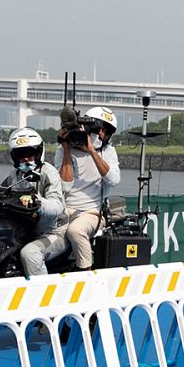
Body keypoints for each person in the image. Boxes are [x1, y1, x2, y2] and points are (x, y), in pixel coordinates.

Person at [54, 107, 123, 270]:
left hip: (92, 212)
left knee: (75, 231)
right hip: (65, 209)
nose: (101, 135)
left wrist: (92, 151)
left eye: (106, 131)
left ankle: (86, 271)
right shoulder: (63, 150)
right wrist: (66, 148)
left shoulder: (109, 152)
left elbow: (114, 180)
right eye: (99, 130)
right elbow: (64, 186)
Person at [3, 127, 66, 275]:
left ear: (38, 153)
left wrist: (37, 202)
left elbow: (57, 206)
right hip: (26, 231)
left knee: (30, 254)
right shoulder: (14, 176)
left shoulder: (48, 172)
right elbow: (1, 192)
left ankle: (44, 289)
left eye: (30, 153)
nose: (26, 158)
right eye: (20, 154)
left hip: (54, 232)